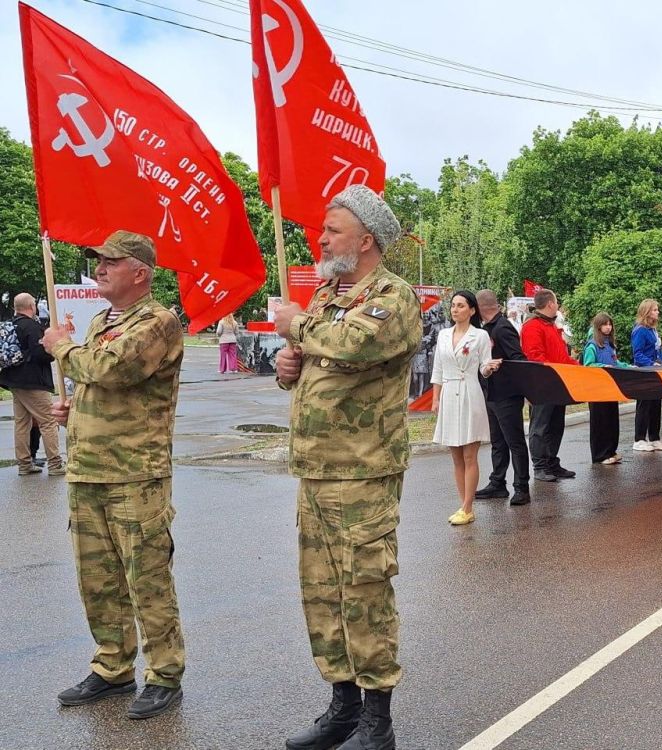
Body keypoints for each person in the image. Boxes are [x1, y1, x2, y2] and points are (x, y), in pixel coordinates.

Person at [273, 186, 421, 750]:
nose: (321, 239)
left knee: (363, 592)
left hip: (362, 472)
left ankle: (377, 723)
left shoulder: (392, 296)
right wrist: (288, 367)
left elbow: (355, 345)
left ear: (365, 241)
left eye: (332, 230)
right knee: (322, 594)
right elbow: (313, 361)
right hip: (317, 469)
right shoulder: (324, 297)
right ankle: (343, 707)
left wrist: (295, 329)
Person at [41, 231, 185, 719]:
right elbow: (102, 386)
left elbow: (112, 369)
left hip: (135, 474)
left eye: (110, 261)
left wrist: (62, 347)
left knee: (147, 580)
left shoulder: (158, 322)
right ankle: (112, 667)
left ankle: (164, 673)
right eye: (97, 261)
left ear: (139, 272)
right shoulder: (103, 320)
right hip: (89, 471)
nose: (99, 268)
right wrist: (77, 411)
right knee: (98, 580)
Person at [431, 291, 500, 525]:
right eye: (453, 305)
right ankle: (463, 506)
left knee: (470, 455)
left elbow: (483, 366)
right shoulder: (443, 335)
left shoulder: (480, 335)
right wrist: (436, 398)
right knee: (456, 456)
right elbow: (438, 369)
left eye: (461, 306)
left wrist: (488, 368)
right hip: (449, 395)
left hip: (470, 393)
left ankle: (468, 507)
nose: (455, 309)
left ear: (471, 310)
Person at [474, 290, 530, 506]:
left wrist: (523, 388)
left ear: (480, 308)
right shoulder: (487, 329)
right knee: (497, 442)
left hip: (507, 395)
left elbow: (518, 360)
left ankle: (521, 487)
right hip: (492, 394)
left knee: (514, 442)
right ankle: (498, 483)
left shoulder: (502, 327)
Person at [0, 293, 65, 476]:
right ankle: (55, 464)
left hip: (13, 380)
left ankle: (24, 464)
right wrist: (53, 351)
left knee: (22, 423)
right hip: (33, 381)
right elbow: (40, 354)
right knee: (48, 421)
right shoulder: (32, 326)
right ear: (31, 306)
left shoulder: (11, 324)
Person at [521, 288, 578, 482]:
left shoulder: (550, 326)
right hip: (542, 385)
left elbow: (561, 357)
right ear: (550, 304)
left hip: (557, 384)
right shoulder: (533, 326)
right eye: (557, 302)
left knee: (555, 425)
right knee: (540, 427)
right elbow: (535, 358)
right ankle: (540, 466)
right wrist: (556, 371)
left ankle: (552, 462)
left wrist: (579, 367)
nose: (558, 306)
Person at [582, 312, 626, 464]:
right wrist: (603, 366)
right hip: (597, 389)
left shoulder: (610, 344)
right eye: (605, 324)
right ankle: (600, 455)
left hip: (610, 388)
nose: (608, 327)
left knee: (611, 420)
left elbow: (615, 362)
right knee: (600, 422)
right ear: (598, 326)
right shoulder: (592, 345)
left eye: (610, 324)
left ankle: (611, 450)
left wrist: (627, 366)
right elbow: (588, 365)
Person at [631, 299, 662, 452]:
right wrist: (651, 363)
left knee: (655, 405)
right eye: (654, 310)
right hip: (645, 372)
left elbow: (657, 351)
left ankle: (654, 437)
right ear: (646, 312)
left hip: (656, 372)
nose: (657, 312)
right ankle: (639, 439)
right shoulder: (640, 330)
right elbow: (638, 354)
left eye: (657, 309)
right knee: (644, 406)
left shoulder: (653, 330)